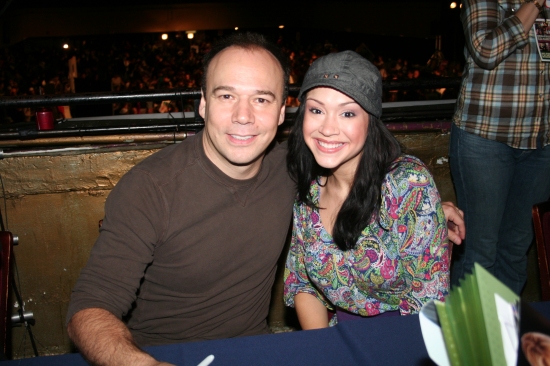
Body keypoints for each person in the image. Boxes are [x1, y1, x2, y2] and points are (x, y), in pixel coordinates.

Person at [67, 33, 464, 365]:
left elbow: (375, 184)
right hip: (164, 354)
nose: (243, 116)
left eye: (261, 99)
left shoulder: (292, 170)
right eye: (226, 97)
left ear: (281, 114)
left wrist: (429, 212)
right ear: (203, 104)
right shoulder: (150, 187)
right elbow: (89, 308)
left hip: (257, 349)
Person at [283, 51, 450, 328]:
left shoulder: (406, 183)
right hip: (342, 333)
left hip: (405, 334)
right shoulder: (309, 189)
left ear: (371, 121)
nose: (327, 128)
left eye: (347, 113)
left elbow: (429, 300)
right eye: (316, 110)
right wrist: (323, 350)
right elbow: (303, 283)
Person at [450, 0, 550, 294]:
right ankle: (467, 338)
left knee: (516, 251)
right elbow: (486, 49)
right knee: (480, 252)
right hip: (484, 138)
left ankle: (503, 335)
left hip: (541, 142)